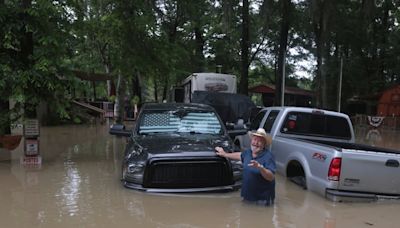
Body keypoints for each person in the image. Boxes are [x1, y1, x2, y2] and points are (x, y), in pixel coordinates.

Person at [215, 128, 276, 206]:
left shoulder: (268, 157)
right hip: (247, 198)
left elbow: (271, 177)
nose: (256, 143)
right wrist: (225, 154)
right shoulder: (248, 152)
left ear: (264, 144)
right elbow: (240, 155)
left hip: (262, 201)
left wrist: (260, 168)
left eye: (259, 141)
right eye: (254, 140)